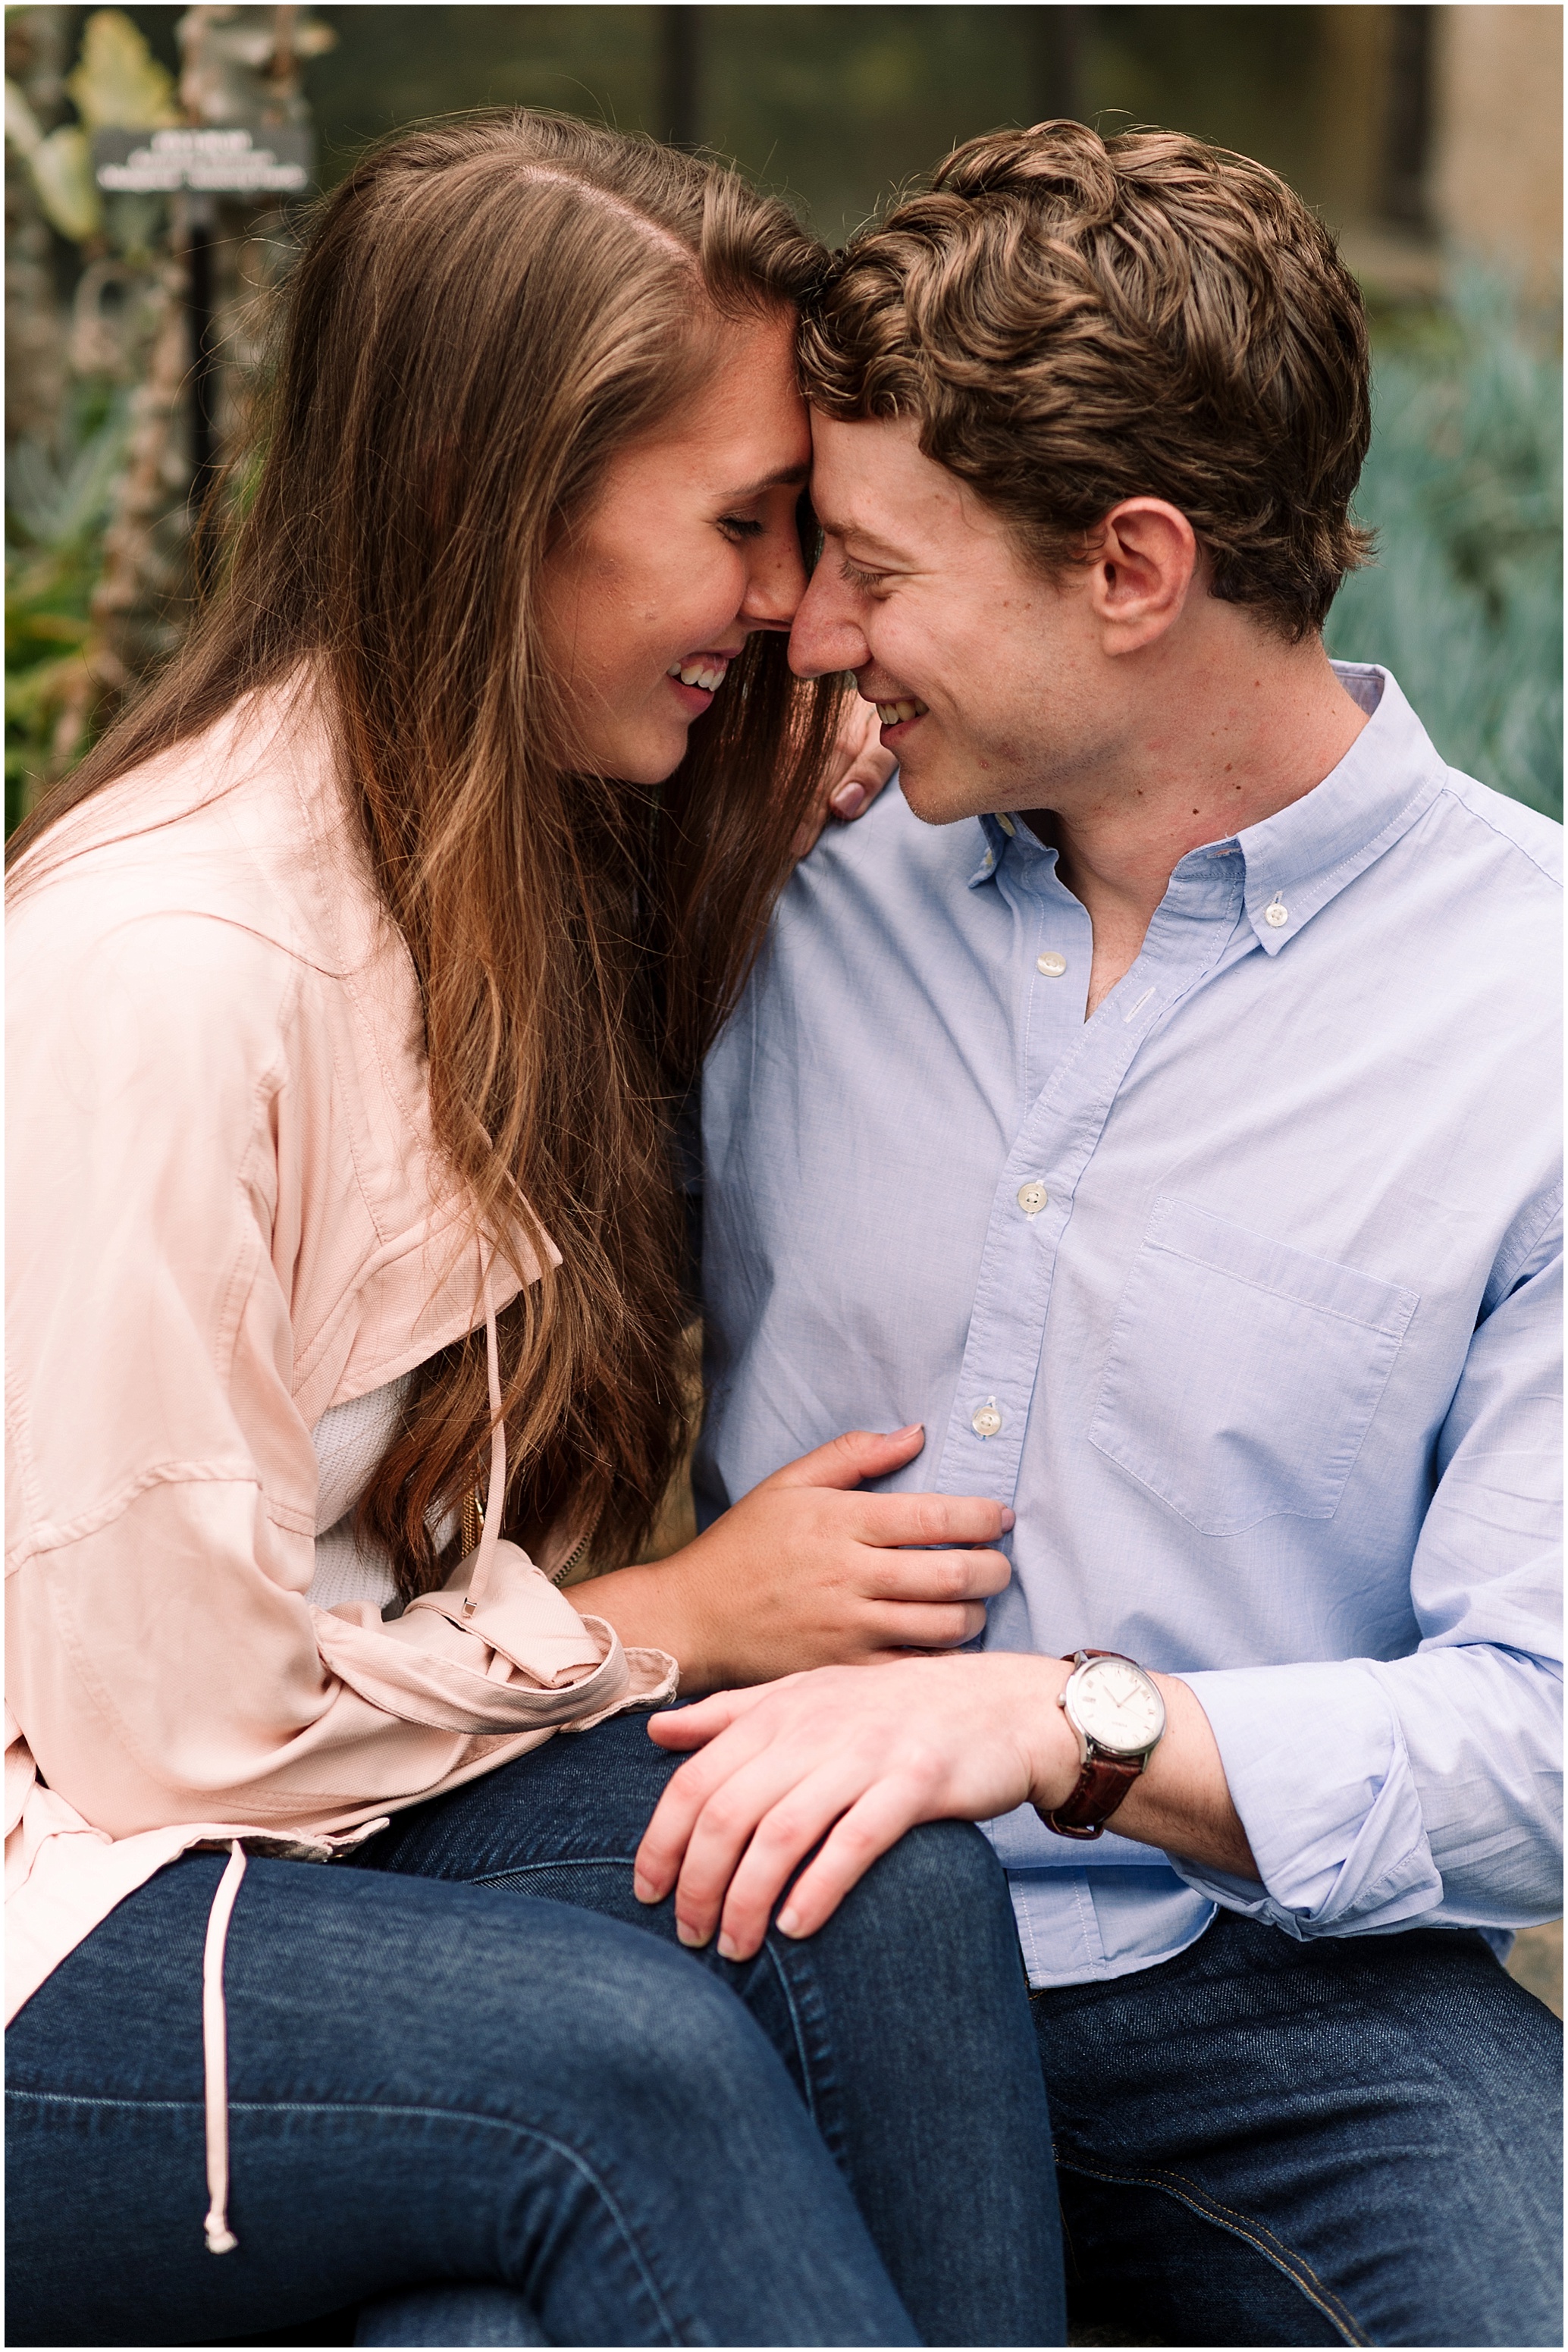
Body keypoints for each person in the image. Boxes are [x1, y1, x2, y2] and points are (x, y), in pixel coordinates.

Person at [5, 115, 1063, 2349]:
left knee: (864, 1878)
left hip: (319, 1836)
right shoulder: (172, 961)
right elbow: (161, 1738)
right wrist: (665, 1618)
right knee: (624, 2077)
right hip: (73, 1909)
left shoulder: (499, 847)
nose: (788, 605)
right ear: (499, 510)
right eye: (742, 526)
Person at [627, 123, 1564, 2350]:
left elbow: (1541, 1747)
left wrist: (1064, 1723)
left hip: (1278, 2002)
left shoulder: (1533, 1013)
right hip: (744, 1916)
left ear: (1130, 570)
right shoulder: (762, 848)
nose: (807, 629)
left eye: (872, 569)